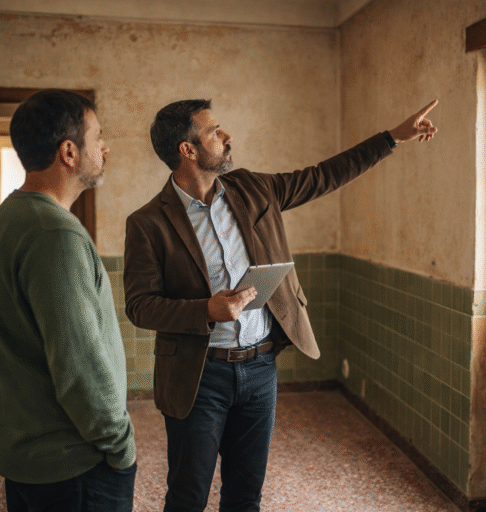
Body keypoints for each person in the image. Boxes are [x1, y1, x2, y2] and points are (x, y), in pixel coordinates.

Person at [124, 98, 438, 512]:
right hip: (198, 378)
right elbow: (140, 306)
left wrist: (393, 137)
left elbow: (324, 176)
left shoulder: (254, 188)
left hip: (259, 371)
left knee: (246, 494)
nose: (226, 136)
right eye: (214, 132)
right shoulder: (148, 222)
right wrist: (205, 310)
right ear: (188, 150)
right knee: (187, 496)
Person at [0, 89, 137, 512]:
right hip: (73, 466)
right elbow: (78, 364)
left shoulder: (8, 217)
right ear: (69, 151)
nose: (105, 147)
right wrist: (120, 444)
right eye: (97, 136)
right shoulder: (54, 234)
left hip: (31, 459)